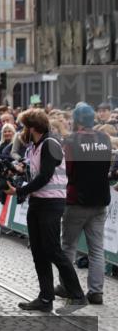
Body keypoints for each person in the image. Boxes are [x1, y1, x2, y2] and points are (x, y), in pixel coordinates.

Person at [5, 108, 87, 311]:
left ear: (32, 127)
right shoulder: (34, 146)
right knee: (39, 252)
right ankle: (45, 298)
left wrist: (19, 191)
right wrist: (20, 171)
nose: (22, 130)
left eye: (24, 126)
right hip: (37, 201)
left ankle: (77, 294)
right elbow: (35, 174)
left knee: (52, 250)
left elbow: (45, 176)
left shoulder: (50, 143)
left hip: (51, 203)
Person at [59, 102, 110, 305]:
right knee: (97, 248)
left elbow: (68, 170)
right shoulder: (104, 138)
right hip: (100, 200)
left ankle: (67, 286)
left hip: (77, 200)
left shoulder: (71, 141)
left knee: (68, 246)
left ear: (77, 120)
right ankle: (96, 291)